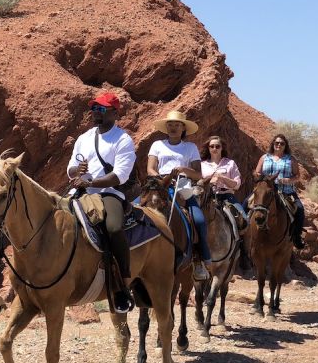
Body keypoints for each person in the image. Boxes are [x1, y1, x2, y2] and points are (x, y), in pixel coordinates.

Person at [67, 92, 137, 313]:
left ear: (115, 113)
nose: (96, 113)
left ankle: (123, 284)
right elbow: (70, 168)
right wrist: (77, 171)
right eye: (94, 109)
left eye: (102, 109)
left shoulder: (123, 139)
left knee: (113, 227)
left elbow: (120, 176)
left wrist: (91, 182)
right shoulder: (84, 138)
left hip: (109, 193)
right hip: (79, 191)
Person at [147, 110, 211, 280]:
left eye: (177, 125)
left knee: (199, 220)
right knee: (137, 209)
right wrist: (163, 179)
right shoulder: (157, 145)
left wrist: (183, 170)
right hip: (160, 183)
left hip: (182, 185)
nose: (173, 128)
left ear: (183, 128)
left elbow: (198, 174)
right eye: (170, 125)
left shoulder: (190, 147)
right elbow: (150, 168)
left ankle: (199, 259)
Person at [252, 133, 305, 249]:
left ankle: (296, 236)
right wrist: (261, 178)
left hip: (286, 191)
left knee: (300, 209)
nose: (279, 145)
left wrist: (288, 180)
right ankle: (244, 236)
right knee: (246, 204)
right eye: (277, 143)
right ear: (273, 144)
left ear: (285, 145)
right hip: (266, 190)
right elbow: (257, 173)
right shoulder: (264, 157)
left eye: (282, 143)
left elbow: (297, 176)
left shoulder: (291, 159)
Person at [200, 135, 247, 220]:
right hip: (207, 197)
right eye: (212, 146)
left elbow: (237, 185)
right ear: (208, 148)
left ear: (222, 148)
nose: (214, 148)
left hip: (227, 196)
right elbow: (198, 183)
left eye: (217, 146)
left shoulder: (230, 163)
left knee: (244, 219)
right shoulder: (202, 165)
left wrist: (222, 178)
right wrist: (210, 180)